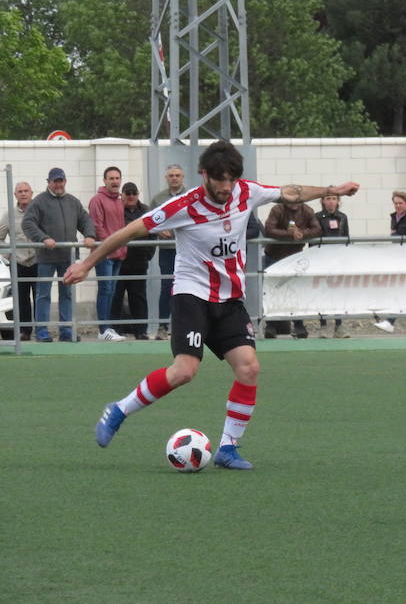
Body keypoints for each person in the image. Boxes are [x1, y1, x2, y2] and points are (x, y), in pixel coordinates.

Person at [64, 140, 359, 469]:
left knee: (249, 368)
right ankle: (118, 410)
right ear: (204, 174)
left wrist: (334, 190)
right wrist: (87, 264)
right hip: (192, 296)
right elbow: (130, 230)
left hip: (230, 299)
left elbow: (290, 192)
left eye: (232, 179)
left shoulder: (245, 192)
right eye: (220, 179)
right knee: (184, 371)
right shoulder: (183, 206)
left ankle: (228, 448)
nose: (227, 186)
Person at [22, 168, 97, 342]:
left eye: (60, 181)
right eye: (55, 181)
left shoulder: (73, 201)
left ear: (65, 181)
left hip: (68, 258)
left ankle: (67, 331)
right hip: (46, 258)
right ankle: (41, 331)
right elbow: (28, 223)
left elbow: (85, 220)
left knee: (68, 294)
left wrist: (89, 235)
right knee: (43, 295)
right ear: (48, 182)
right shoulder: (39, 201)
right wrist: (43, 238)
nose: (58, 184)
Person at [262, 197, 322, 339]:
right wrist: (291, 234)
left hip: (295, 257)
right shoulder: (277, 209)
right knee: (272, 290)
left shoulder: (307, 210)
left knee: (296, 290)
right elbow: (269, 230)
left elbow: (317, 229)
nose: (294, 202)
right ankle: (271, 325)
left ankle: (299, 325)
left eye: (297, 199)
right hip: (274, 256)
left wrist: (301, 233)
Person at [110, 183, 156, 339]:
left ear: (138, 194)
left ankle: (141, 331)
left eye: (133, 193)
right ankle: (114, 329)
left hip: (139, 261)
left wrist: (148, 254)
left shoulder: (146, 211)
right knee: (115, 296)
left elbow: (153, 233)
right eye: (127, 193)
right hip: (120, 262)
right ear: (122, 194)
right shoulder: (117, 211)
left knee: (139, 298)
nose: (130, 196)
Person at [374, 191, 406, 333]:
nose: (398, 205)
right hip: (398, 259)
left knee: (404, 292)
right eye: (395, 203)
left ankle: (392, 321)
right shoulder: (394, 218)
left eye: (400, 203)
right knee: (404, 293)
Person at [88, 166, 128, 341]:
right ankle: (103, 329)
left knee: (112, 291)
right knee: (105, 289)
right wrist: (111, 245)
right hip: (105, 254)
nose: (114, 181)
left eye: (117, 178)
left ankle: (108, 327)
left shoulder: (120, 201)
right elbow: (97, 226)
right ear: (104, 180)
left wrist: (121, 246)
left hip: (119, 253)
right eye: (111, 178)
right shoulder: (97, 200)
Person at [151, 164, 187, 340]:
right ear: (166, 178)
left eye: (177, 175)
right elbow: (148, 221)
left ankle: (185, 326)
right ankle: (163, 326)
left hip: (188, 251)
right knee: (167, 287)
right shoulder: (158, 199)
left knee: (187, 288)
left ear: (183, 177)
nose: (174, 178)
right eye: (171, 175)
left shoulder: (192, 197)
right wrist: (158, 230)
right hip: (166, 251)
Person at [0, 181, 37, 339]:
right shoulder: (9, 215)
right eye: (20, 191)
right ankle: (25, 332)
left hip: (38, 260)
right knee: (21, 299)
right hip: (19, 262)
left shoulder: (39, 212)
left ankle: (42, 331)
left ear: (31, 193)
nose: (23, 193)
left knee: (41, 297)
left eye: (26, 191)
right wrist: (9, 254)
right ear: (15, 195)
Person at [315, 193, 351, 338]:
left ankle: (339, 325)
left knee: (338, 292)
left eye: (334, 199)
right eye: (328, 198)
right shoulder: (317, 217)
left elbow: (346, 238)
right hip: (322, 259)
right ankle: (323, 325)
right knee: (323, 291)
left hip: (338, 259)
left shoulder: (343, 217)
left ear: (338, 201)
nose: (331, 202)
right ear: (323, 201)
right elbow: (314, 238)